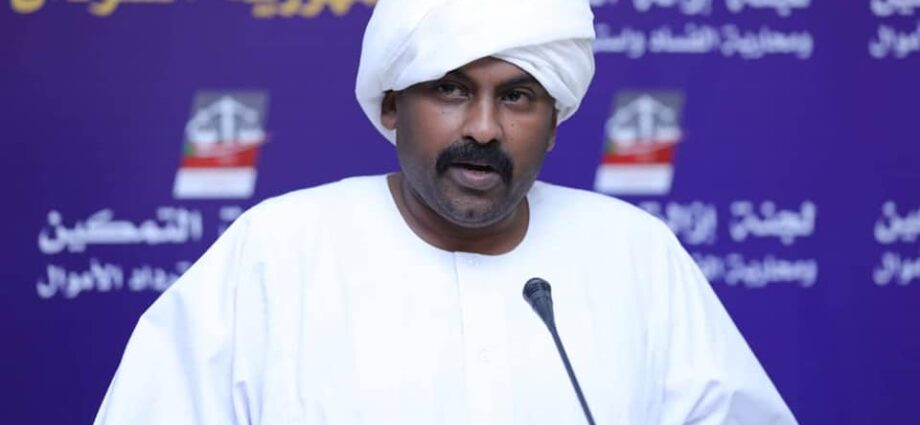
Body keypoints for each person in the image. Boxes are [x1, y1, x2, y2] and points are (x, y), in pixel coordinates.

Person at [94, 0, 798, 423]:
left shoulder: (634, 254)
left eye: (517, 97)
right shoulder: (276, 251)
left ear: (555, 123)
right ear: (392, 104)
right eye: (452, 90)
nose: (484, 129)